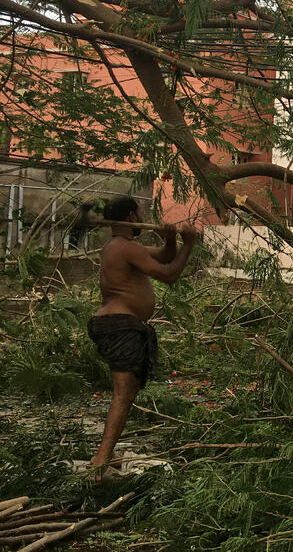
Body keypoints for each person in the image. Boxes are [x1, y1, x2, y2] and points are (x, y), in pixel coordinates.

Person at [86, 196, 198, 478]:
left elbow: (162, 256)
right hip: (118, 325)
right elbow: (169, 273)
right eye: (141, 213)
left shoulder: (122, 247)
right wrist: (190, 244)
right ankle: (101, 459)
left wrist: (171, 241)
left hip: (120, 325)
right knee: (123, 394)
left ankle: (105, 455)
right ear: (133, 218)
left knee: (127, 392)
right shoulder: (124, 248)